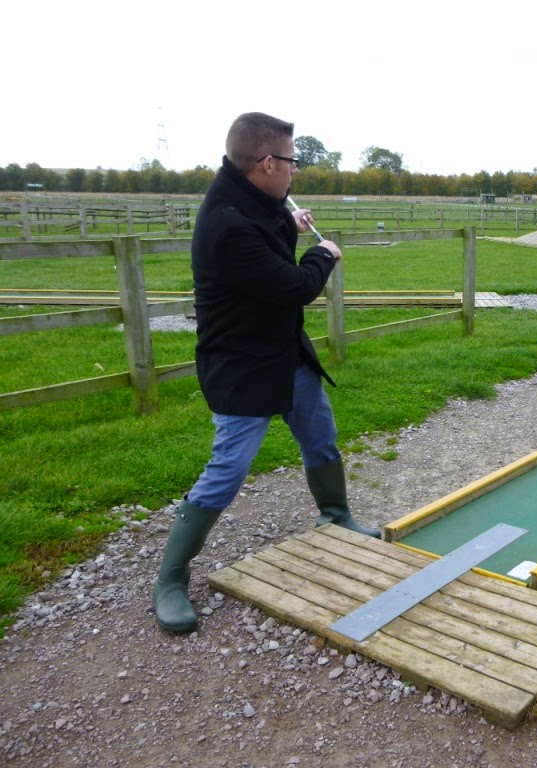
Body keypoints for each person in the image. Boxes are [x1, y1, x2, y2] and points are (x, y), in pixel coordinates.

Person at [153, 112, 379, 634]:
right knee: (228, 470)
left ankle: (335, 515)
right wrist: (323, 253)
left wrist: (290, 226)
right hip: (242, 365)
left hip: (284, 352)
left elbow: (268, 243)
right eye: (293, 162)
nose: (296, 171)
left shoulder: (253, 199)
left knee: (320, 435)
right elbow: (294, 287)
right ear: (268, 162)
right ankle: (170, 579)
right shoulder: (228, 224)